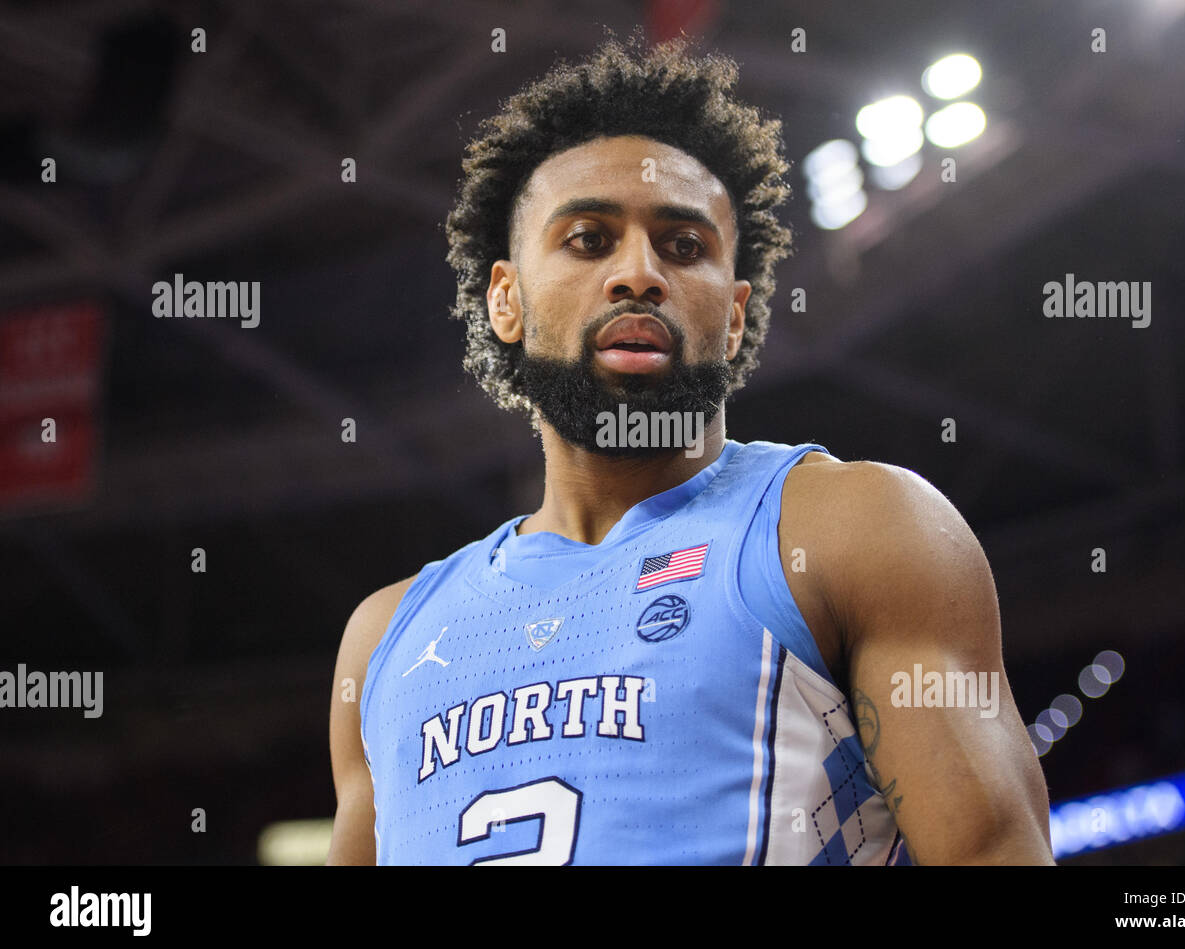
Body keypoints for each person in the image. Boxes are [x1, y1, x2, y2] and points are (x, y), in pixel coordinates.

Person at [327, 33, 1053, 865]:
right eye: (588, 239)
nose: (639, 274)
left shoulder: (857, 528)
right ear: (505, 299)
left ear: (736, 313)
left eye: (683, 247)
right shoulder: (386, 635)